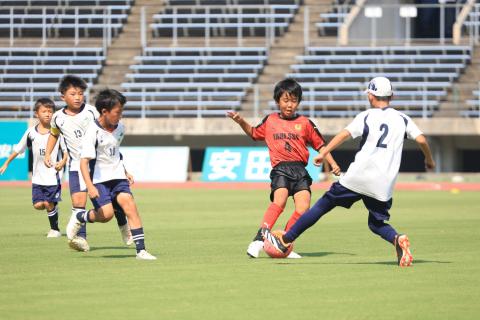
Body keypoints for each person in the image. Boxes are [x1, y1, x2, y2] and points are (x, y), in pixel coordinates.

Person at [264, 77, 436, 267]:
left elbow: (345, 135)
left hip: (358, 177)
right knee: (376, 224)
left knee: (324, 205)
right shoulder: (403, 119)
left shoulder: (366, 116)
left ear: (370, 96)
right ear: (391, 96)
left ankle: (285, 240)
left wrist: (325, 152)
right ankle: (397, 238)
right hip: (383, 184)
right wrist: (428, 159)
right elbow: (421, 140)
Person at [227, 78, 340, 259]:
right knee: (279, 202)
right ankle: (258, 240)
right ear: (278, 101)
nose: (289, 105)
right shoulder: (271, 120)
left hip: (301, 170)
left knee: (303, 209)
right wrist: (241, 122)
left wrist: (333, 164)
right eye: (285, 100)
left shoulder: (305, 123)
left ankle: (283, 243)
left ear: (299, 102)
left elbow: (321, 146)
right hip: (281, 168)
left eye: (293, 101)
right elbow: (255, 133)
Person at [44, 75, 132, 252]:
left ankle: (124, 227)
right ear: (63, 96)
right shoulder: (57, 118)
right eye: (73, 93)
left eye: (80, 93)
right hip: (77, 166)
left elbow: (108, 139)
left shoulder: (92, 111)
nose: (77, 97)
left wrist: (123, 168)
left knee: (113, 203)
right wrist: (48, 153)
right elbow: (54, 134)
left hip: (100, 167)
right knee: (78, 202)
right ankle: (80, 239)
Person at [67, 89, 156, 260]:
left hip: (117, 177)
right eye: (118, 112)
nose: (120, 116)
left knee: (130, 205)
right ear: (104, 112)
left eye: (122, 112)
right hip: (98, 179)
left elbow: (114, 153)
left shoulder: (120, 128)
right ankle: (80, 216)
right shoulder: (92, 131)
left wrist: (125, 171)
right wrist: (90, 187)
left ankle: (141, 251)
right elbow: (83, 162)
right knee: (106, 215)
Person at [0, 98, 67, 237]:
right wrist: (6, 163)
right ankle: (53, 208)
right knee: (38, 205)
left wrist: (63, 162)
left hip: (53, 176)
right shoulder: (31, 132)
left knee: (48, 203)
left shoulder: (58, 133)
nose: (48, 114)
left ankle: (55, 230)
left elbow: (67, 152)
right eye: (44, 111)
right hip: (37, 177)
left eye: (50, 111)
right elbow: (18, 149)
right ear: (37, 113)